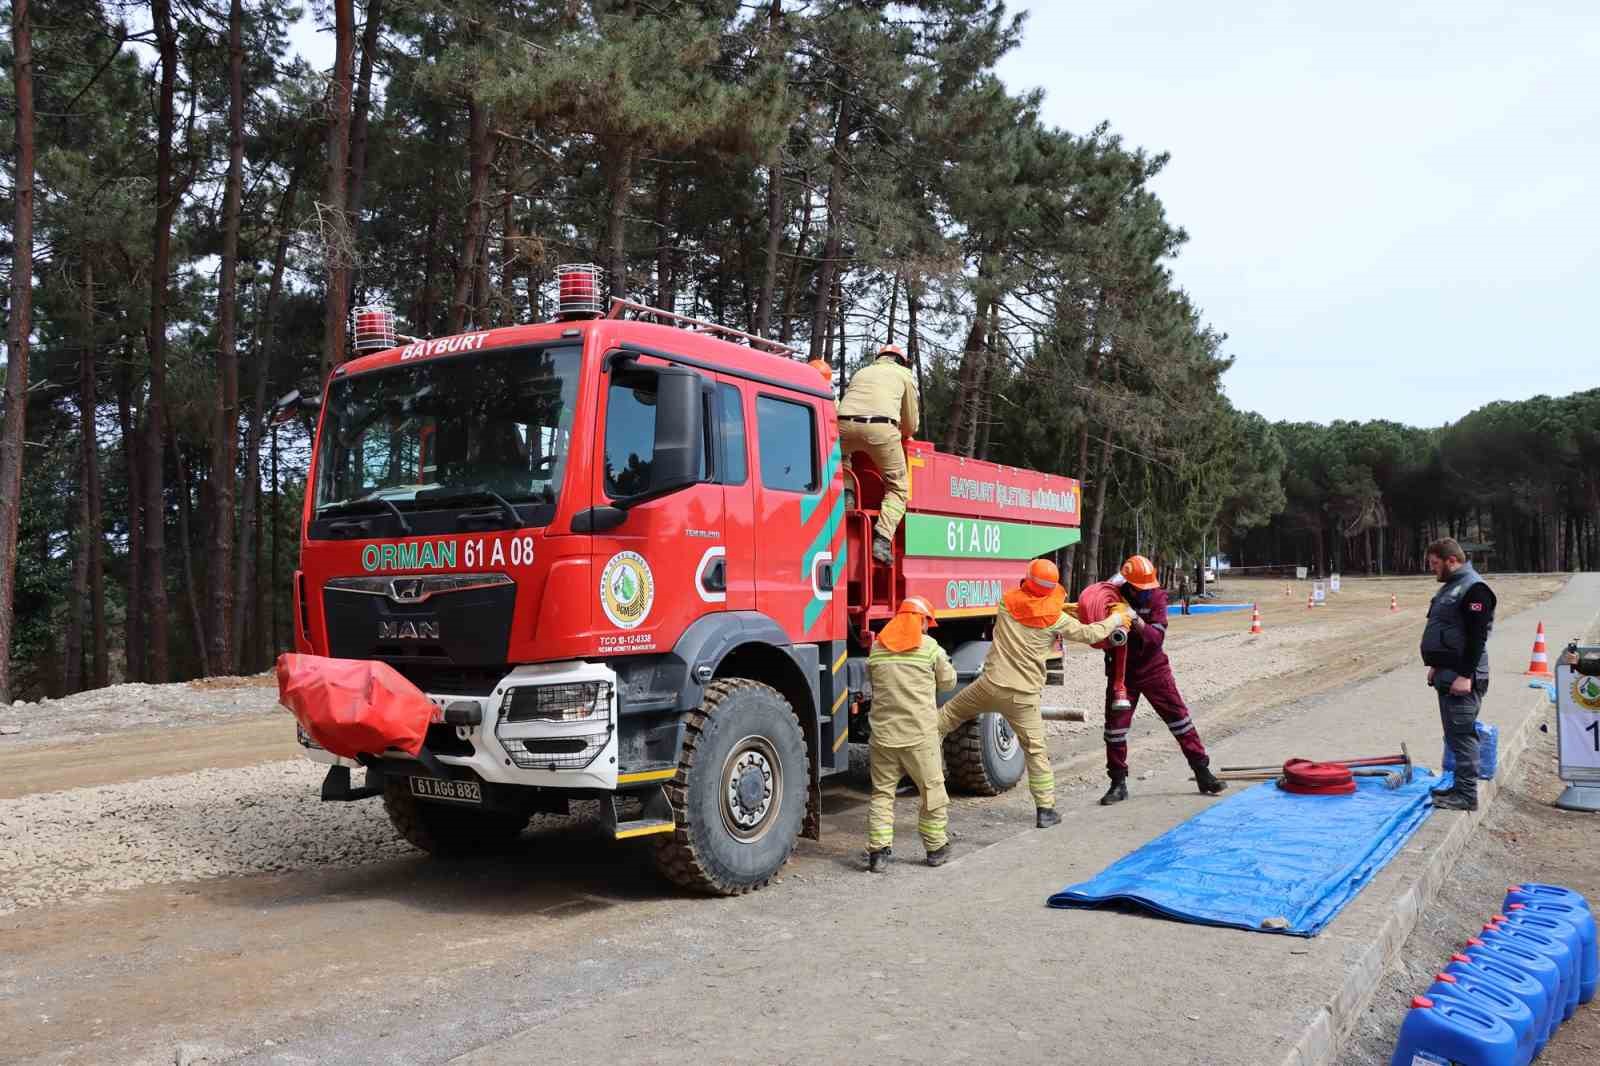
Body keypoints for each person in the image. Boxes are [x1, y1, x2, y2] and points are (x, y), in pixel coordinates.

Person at [937, 558, 1128, 828]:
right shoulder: (1056, 619)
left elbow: (1028, 603)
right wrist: (1117, 618)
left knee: (943, 719)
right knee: (1035, 752)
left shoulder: (1006, 603)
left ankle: (914, 764)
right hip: (1022, 697)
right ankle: (1045, 810)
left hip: (988, 686)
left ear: (1028, 579)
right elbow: (1089, 633)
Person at [1088, 555, 1227, 806]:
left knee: (1180, 721)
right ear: (1128, 584)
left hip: (1154, 671)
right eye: (1139, 588)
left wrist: (1135, 620)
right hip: (1122, 673)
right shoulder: (1114, 592)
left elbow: (1155, 639)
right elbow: (1094, 615)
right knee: (1115, 730)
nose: (1144, 592)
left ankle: (1202, 773)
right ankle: (1118, 784)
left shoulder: (1157, 598)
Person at [866, 596, 957, 872]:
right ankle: (935, 848)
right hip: (919, 736)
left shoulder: (876, 648)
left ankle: (878, 854)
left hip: (882, 735)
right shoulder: (930, 649)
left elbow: (874, 681)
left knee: (882, 794)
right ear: (921, 621)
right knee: (932, 792)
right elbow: (948, 681)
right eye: (927, 622)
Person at [1420, 537, 1496, 811]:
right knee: (1454, 734)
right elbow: (1447, 632)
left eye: (1435, 563)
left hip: (1464, 677)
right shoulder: (1452, 587)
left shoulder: (1475, 589)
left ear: (1451, 561)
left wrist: (1465, 675)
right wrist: (1436, 666)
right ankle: (1458, 788)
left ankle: (1466, 795)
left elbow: (1477, 638)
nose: (1432, 569)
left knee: (1463, 736)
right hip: (1448, 674)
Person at [837, 343, 919, 565]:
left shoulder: (862, 372)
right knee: (898, 488)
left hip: (843, 424)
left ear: (879, 358)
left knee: (843, 458)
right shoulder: (904, 375)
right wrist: (905, 433)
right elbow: (910, 423)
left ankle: (847, 496)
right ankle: (882, 540)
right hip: (882, 429)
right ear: (900, 360)